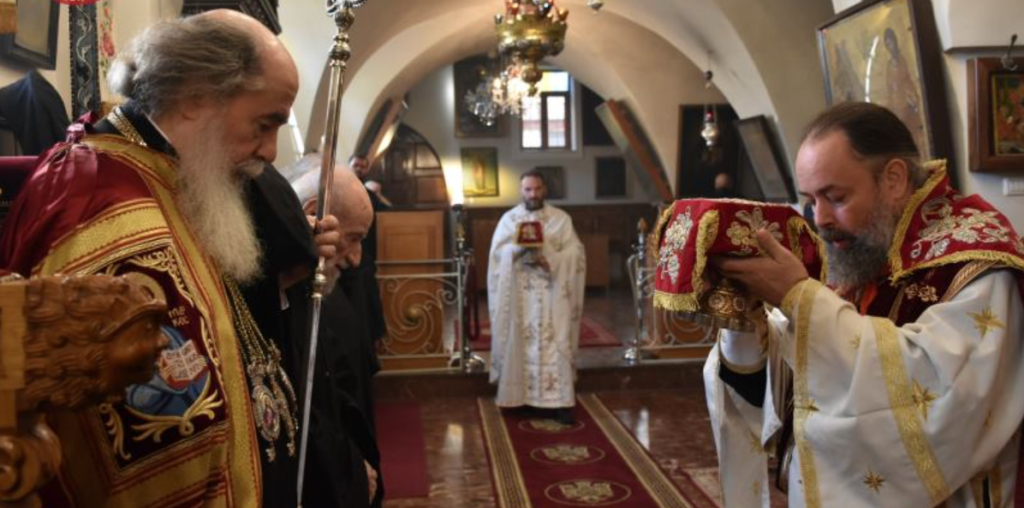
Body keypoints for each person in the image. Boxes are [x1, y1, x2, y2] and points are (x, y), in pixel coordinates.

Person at [0, 11, 329, 507]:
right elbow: (155, 458)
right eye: (264, 124)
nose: (269, 149)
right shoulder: (104, 203)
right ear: (196, 96)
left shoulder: (168, 178)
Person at [707, 102, 1024, 507]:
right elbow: (801, 376)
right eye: (810, 199)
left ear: (893, 179)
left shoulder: (975, 262)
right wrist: (746, 323)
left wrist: (800, 299)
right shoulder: (864, 248)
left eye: (834, 196)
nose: (819, 218)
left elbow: (936, 397)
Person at [291, 167, 382, 508]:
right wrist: (350, 471)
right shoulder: (285, 295)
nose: (357, 258)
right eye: (355, 237)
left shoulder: (330, 293)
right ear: (314, 216)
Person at [488, 171, 586, 424]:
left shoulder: (561, 220)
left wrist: (550, 258)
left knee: (556, 341)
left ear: (545, 189)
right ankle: (520, 398)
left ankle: (561, 403)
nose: (533, 194)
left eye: (537, 189)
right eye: (528, 189)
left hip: (552, 295)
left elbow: (576, 254)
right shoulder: (509, 220)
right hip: (521, 297)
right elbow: (497, 257)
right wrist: (517, 250)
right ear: (521, 190)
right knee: (519, 343)